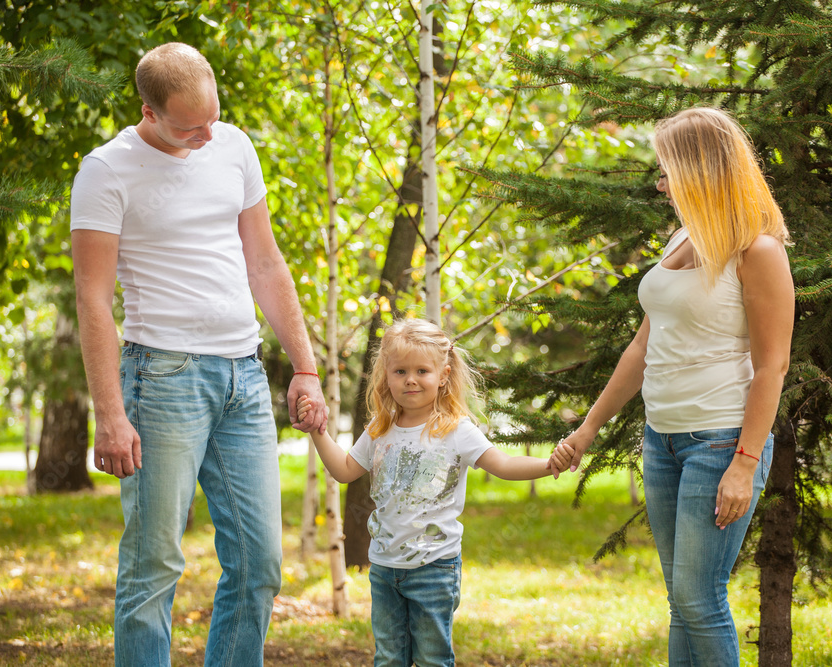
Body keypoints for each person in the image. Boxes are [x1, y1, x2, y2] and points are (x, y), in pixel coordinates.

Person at [70, 42, 328, 666]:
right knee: (154, 564)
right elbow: (93, 301)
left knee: (261, 564)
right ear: (149, 112)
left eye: (212, 118)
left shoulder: (233, 145)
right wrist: (110, 412)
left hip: (242, 375)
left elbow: (265, 262)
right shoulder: (106, 171)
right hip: (162, 379)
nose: (206, 135)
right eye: (189, 127)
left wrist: (306, 367)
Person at [552, 107, 794, 666]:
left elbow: (771, 368)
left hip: (721, 441)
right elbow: (641, 349)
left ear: (701, 170)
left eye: (666, 171)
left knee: (698, 598)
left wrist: (744, 461)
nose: (660, 183)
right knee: (681, 601)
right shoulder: (682, 239)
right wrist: (588, 429)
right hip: (663, 440)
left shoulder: (757, 251)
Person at [297, 318, 574, 667]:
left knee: (432, 659)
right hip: (384, 568)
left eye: (421, 371)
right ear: (386, 376)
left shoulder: (456, 429)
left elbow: (502, 465)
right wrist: (317, 430)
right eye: (399, 371)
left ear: (443, 374)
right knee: (389, 658)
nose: (410, 379)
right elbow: (344, 470)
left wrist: (549, 465)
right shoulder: (380, 428)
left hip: (434, 568)